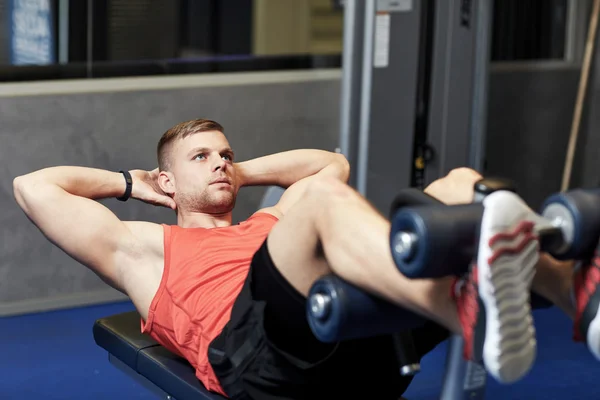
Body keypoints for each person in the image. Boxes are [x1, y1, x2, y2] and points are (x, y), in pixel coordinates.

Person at [11, 118, 600, 399]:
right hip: (254, 354)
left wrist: (238, 171)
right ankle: (470, 309)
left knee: (460, 185)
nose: (220, 162)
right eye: (202, 157)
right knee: (320, 202)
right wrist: (130, 183)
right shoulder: (142, 248)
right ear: (166, 178)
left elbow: (329, 163)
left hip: (339, 329)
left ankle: (581, 300)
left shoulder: (268, 223)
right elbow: (32, 187)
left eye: (226, 154)